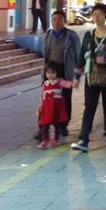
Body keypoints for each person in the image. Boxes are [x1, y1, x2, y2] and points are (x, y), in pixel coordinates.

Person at [71, 3, 106, 152]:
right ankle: (83, 139)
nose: (96, 16)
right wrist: (77, 76)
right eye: (94, 14)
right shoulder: (88, 35)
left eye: (99, 14)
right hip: (92, 77)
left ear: (105, 16)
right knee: (89, 107)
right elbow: (81, 57)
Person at [40, 10, 81, 138]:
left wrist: (77, 75)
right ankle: (43, 126)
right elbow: (44, 53)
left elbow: (78, 55)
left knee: (65, 99)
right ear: (51, 21)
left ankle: (63, 126)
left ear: (64, 20)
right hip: (51, 71)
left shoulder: (72, 36)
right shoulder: (48, 35)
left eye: (59, 19)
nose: (56, 22)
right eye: (54, 19)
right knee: (46, 99)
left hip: (65, 70)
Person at [38, 61, 73, 148]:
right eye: (48, 72)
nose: (50, 75)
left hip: (56, 108)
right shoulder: (45, 84)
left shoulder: (60, 81)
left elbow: (68, 85)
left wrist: (73, 83)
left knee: (56, 124)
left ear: (57, 72)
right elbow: (42, 95)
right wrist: (40, 105)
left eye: (52, 72)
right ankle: (45, 140)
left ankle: (55, 140)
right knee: (44, 124)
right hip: (46, 108)